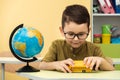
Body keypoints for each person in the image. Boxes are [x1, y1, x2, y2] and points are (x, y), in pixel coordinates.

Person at [39, 4, 115, 73]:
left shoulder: (94, 49)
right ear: (62, 31)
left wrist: (101, 61)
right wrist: (55, 64)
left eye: (81, 34)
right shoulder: (56, 45)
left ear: (88, 31)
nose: (76, 39)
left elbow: (111, 69)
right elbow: (41, 65)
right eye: (71, 34)